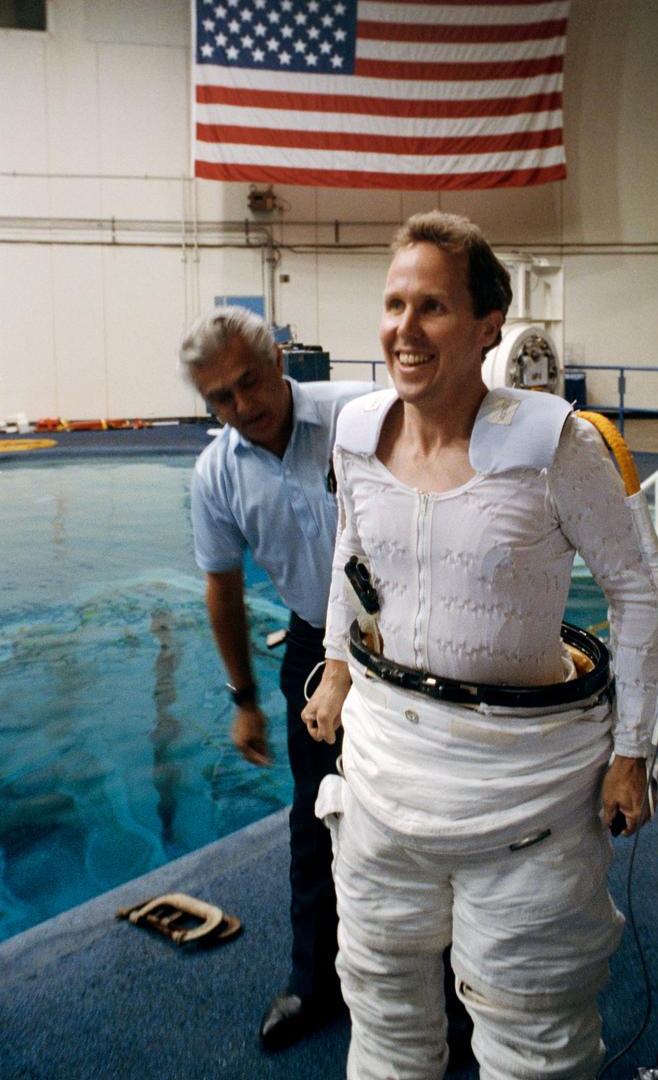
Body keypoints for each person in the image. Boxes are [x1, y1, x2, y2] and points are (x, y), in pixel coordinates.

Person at [306, 212, 658, 1079]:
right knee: (382, 1001)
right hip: (388, 774)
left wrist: (633, 753)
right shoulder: (358, 434)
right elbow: (352, 555)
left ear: (486, 326)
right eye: (395, 303)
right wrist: (338, 665)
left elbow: (641, 595)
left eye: (432, 305)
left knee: (531, 1036)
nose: (405, 327)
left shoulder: (559, 448)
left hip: (527, 797)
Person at [179, 306, 373, 1049]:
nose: (241, 408)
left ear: (281, 360)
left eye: (250, 382)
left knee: (430, 808)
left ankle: (446, 986)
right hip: (308, 643)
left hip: (407, 641)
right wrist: (245, 702)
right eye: (220, 398)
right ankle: (314, 984)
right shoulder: (215, 475)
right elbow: (221, 591)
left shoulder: (362, 416)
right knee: (313, 818)